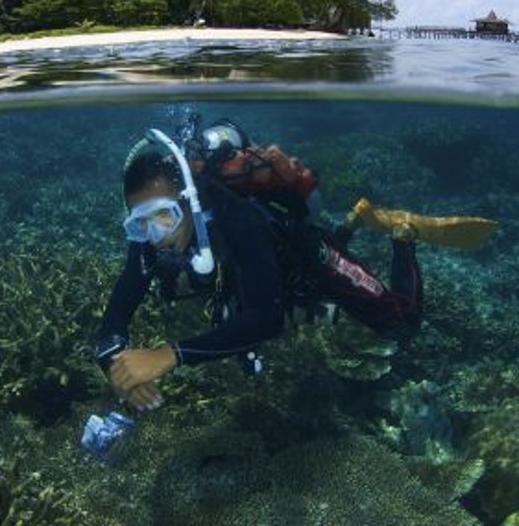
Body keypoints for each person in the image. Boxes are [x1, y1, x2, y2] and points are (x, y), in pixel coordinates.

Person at [93, 119, 494, 413]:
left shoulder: (238, 219)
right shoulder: (149, 237)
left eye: (162, 216)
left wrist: (168, 354)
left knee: (401, 322)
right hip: (263, 271)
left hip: (305, 259)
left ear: (188, 200)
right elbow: (117, 310)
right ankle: (353, 220)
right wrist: (117, 365)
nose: (154, 234)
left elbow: (265, 319)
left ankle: (401, 234)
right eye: (139, 222)